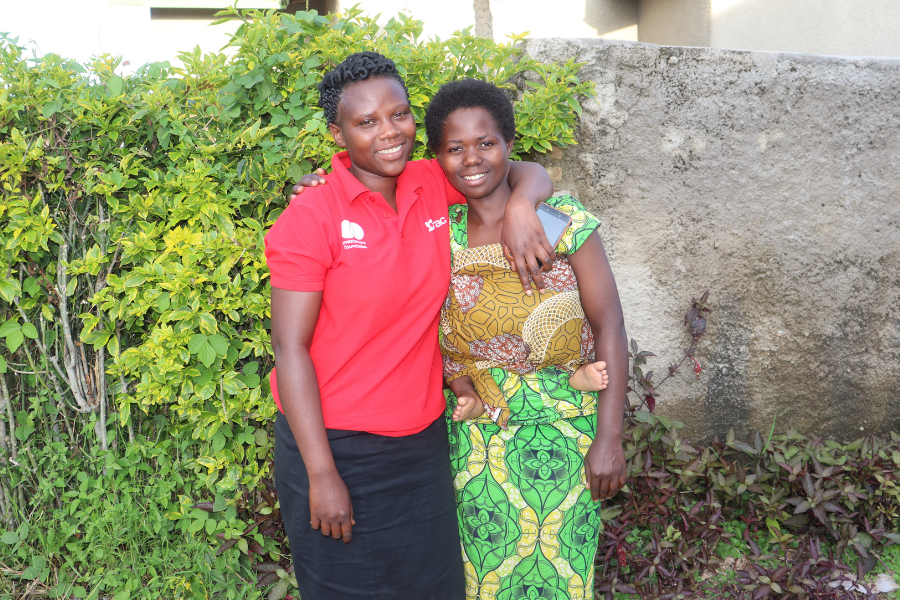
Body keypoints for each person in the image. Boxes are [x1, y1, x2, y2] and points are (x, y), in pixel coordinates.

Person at [265, 53, 558, 599]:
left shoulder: (429, 183)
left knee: (437, 588)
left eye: (398, 114)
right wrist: (322, 474)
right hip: (335, 445)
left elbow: (523, 169)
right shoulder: (310, 216)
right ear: (338, 132)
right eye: (367, 122)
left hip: (421, 444)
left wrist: (522, 204)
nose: (389, 132)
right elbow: (290, 349)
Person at [424, 78, 628, 599]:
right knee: (484, 578)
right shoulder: (437, 233)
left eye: (487, 143)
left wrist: (609, 438)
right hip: (479, 441)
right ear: (437, 159)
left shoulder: (562, 223)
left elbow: (609, 327)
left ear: (510, 146)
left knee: (564, 578)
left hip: (567, 433)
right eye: (454, 148)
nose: (472, 158)